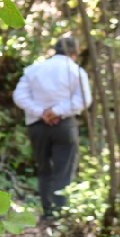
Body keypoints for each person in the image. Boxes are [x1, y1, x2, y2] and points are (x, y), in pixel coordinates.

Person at [12, 36, 91, 221]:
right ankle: (59, 212)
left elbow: (19, 95)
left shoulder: (34, 69)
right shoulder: (76, 71)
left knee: (44, 167)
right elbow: (84, 99)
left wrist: (41, 112)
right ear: (74, 53)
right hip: (64, 125)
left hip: (37, 125)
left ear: (55, 50)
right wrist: (56, 112)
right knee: (64, 168)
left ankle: (47, 211)